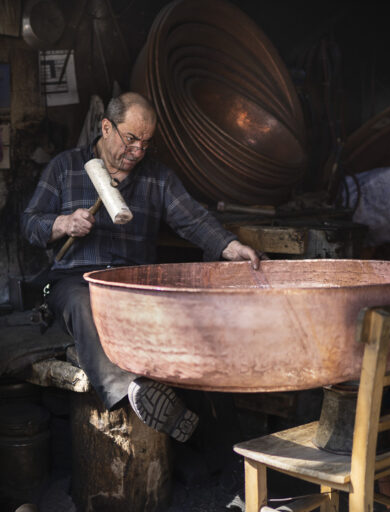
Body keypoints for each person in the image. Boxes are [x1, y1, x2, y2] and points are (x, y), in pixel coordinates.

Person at [21, 92, 261, 442]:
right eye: (131, 139)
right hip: (76, 279)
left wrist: (229, 246)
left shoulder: (157, 177)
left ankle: (229, 451)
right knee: (81, 303)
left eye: (146, 144)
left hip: (135, 282)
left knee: (196, 323)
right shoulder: (65, 167)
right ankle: (134, 390)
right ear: (106, 127)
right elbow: (29, 225)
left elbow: (193, 220)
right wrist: (62, 224)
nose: (137, 152)